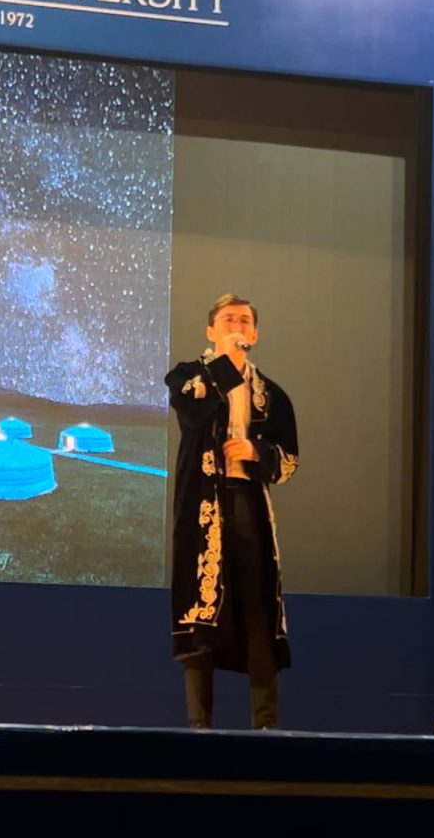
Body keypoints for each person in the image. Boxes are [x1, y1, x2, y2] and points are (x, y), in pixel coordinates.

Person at [165, 293, 299, 729]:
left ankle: (266, 724)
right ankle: (199, 725)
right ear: (211, 331)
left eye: (243, 321)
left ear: (255, 334)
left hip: (249, 505)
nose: (236, 326)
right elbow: (193, 415)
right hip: (202, 506)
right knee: (200, 609)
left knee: (258, 608)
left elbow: (289, 460)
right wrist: (227, 365)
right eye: (227, 320)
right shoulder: (188, 377)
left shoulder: (273, 395)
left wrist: (256, 451)